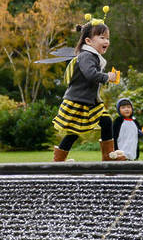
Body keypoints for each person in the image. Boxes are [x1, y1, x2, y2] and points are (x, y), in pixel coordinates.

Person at [51, 9, 125, 162]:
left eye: (108, 38)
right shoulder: (86, 56)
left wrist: (106, 78)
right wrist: (107, 77)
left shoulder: (93, 56)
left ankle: (108, 156)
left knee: (106, 121)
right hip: (78, 100)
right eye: (102, 37)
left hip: (90, 101)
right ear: (88, 41)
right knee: (73, 131)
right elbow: (91, 75)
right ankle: (58, 160)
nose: (106, 41)